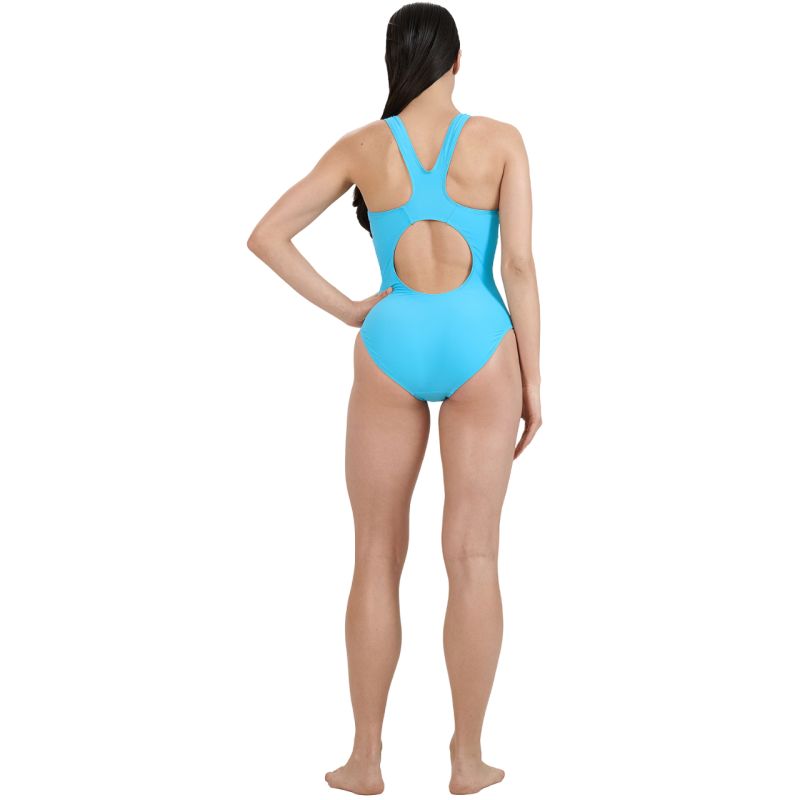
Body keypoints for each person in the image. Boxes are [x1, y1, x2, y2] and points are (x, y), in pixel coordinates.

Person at [246, 3, 542, 794]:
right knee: (473, 556)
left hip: (391, 343)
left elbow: (267, 234)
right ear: (458, 59)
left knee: (375, 555)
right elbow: (518, 266)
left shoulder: (363, 147)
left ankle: (365, 759)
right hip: (483, 345)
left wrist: (351, 309)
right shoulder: (500, 140)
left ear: (395, 61)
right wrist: (534, 380)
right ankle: (467, 760)